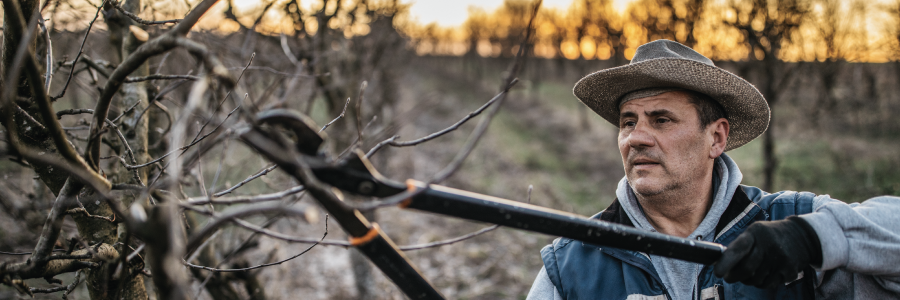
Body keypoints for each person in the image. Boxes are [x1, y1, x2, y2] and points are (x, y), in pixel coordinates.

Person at [526, 40, 900, 300]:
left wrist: (812, 238)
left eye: (661, 120)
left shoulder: (790, 222)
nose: (635, 139)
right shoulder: (574, 264)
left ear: (716, 137)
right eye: (627, 122)